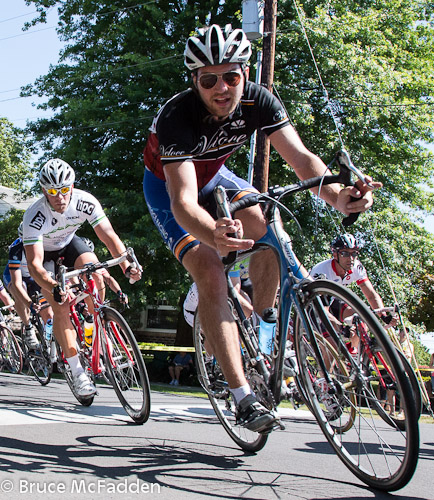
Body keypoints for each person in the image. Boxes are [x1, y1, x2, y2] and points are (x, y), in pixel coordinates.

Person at [143, 24, 379, 433]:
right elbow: (183, 202)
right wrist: (213, 234)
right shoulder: (177, 116)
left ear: (245, 74)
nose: (222, 88)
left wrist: (340, 196)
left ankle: (265, 318)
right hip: (168, 189)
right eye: (209, 79)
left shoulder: (259, 102)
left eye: (231, 76)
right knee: (211, 272)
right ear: (195, 81)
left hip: (215, 177)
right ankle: (242, 397)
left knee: (268, 224)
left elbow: (304, 161)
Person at [22, 159, 141, 397]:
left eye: (65, 190)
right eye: (53, 192)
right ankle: (78, 373)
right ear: (44, 190)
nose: (60, 197)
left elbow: (109, 236)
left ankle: (94, 321)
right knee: (61, 305)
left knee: (96, 271)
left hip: (69, 244)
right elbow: (35, 265)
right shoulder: (34, 216)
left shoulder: (85, 201)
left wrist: (127, 265)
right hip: (45, 256)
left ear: (72, 186)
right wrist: (53, 286)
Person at [310, 233, 397, 354]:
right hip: (315, 306)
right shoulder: (321, 271)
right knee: (333, 348)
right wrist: (340, 327)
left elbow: (371, 295)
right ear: (335, 254)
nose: (350, 258)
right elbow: (321, 309)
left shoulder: (356, 267)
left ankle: (352, 356)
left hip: (334, 300)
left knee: (360, 318)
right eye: (345, 253)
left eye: (354, 254)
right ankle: (328, 368)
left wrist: (383, 315)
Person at [3, 223, 53, 350]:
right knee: (19, 292)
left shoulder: (47, 246)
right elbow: (17, 283)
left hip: (35, 276)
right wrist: (29, 303)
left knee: (48, 313)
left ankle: (49, 341)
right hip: (16, 276)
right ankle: (28, 326)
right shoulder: (16, 248)